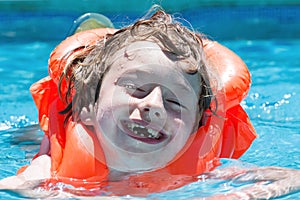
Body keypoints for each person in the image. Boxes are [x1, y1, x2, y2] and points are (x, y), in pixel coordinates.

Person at [0, 9, 299, 199]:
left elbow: (291, 177)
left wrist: (251, 193)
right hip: (65, 131)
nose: (154, 105)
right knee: (32, 137)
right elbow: (17, 187)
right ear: (87, 108)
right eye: (137, 88)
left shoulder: (203, 172)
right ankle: (86, 45)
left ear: (195, 131)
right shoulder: (50, 171)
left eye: (174, 102)